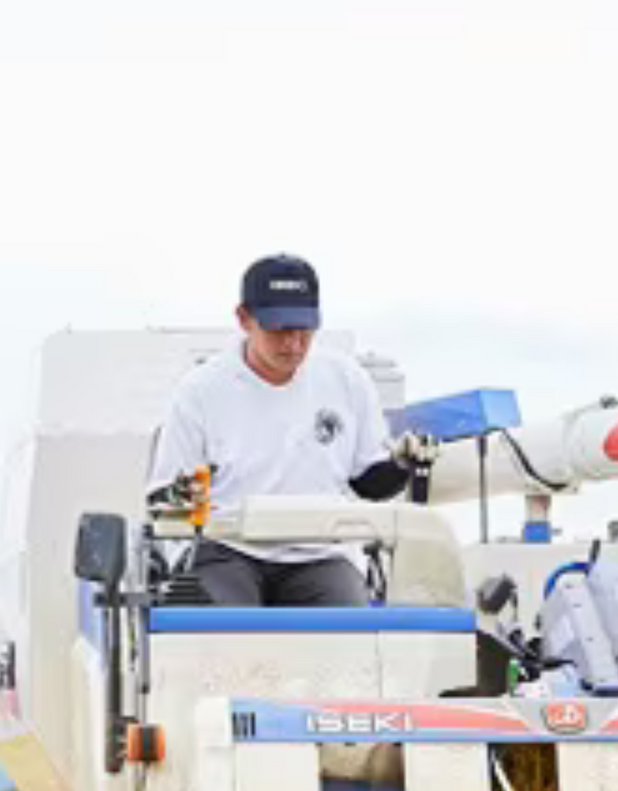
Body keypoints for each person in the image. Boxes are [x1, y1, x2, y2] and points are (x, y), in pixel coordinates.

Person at [147, 253, 434, 606]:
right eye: (279, 329)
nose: (294, 344)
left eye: (304, 330)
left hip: (320, 553)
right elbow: (164, 501)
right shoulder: (201, 391)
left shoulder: (346, 380)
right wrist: (183, 495)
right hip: (229, 550)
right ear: (244, 319)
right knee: (220, 632)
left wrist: (402, 464)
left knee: (352, 632)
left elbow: (368, 481)